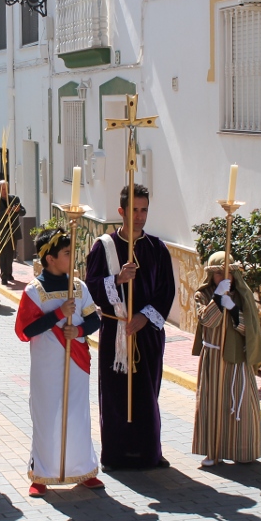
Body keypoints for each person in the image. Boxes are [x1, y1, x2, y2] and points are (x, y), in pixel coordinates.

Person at [85, 184, 176, 471]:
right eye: (134, 210)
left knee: (147, 392)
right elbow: (91, 287)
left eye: (144, 210)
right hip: (116, 332)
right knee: (115, 394)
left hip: (147, 334)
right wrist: (117, 280)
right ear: (121, 211)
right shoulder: (105, 247)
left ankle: (149, 451)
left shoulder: (157, 249)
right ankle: (117, 455)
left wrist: (145, 317)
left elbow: (167, 291)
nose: (139, 216)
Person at [14, 227, 103, 497]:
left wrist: (77, 331)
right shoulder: (34, 291)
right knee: (46, 415)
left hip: (76, 362)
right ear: (50, 258)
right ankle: (41, 474)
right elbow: (24, 331)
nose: (71, 258)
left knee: (77, 414)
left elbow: (94, 319)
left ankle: (83, 469)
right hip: (46, 366)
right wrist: (57, 315)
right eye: (66, 253)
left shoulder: (78, 286)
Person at [191, 252, 261, 466]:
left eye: (227, 273)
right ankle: (212, 451)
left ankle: (241, 449)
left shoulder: (243, 295)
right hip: (213, 357)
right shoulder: (202, 295)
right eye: (217, 274)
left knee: (238, 404)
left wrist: (233, 310)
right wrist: (217, 298)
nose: (224, 278)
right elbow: (207, 320)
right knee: (212, 402)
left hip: (237, 357)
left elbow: (249, 329)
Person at [0, 180, 26, 285]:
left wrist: (18, 210)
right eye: (2, 188)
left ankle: (9, 273)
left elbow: (23, 211)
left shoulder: (14, 198)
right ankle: (3, 276)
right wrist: (4, 213)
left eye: (6, 188)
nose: (4, 191)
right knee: (2, 254)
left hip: (13, 231)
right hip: (1, 231)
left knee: (11, 253)